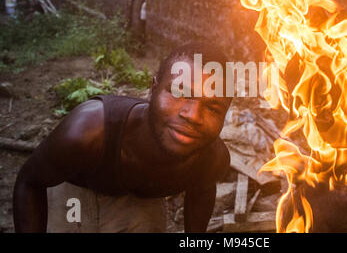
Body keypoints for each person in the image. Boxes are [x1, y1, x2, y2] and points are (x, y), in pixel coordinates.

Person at [13, 44, 232, 233]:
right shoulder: (87, 133)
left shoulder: (211, 159)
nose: (192, 115)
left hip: (140, 197)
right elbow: (30, 182)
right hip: (75, 188)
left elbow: (201, 192)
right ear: (153, 88)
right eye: (180, 92)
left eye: (213, 108)